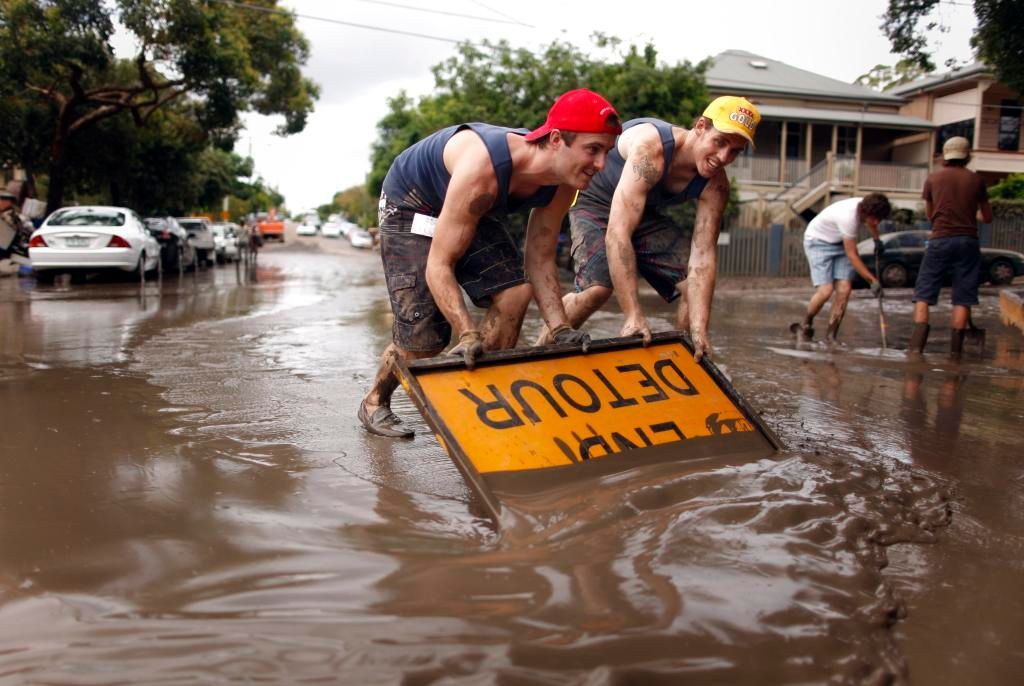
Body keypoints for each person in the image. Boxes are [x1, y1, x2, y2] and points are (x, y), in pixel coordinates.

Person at [359, 89, 622, 438]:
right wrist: (467, 333)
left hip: (465, 206)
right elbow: (439, 264)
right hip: (414, 203)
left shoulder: (565, 180)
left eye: (606, 152)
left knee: (515, 293)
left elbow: (540, 254)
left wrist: (560, 330)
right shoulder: (484, 166)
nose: (601, 165)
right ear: (556, 139)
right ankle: (374, 402)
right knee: (424, 341)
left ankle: (481, 400)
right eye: (593, 150)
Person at [535, 96, 761, 361]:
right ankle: (539, 352)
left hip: (641, 211)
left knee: (692, 287)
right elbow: (618, 233)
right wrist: (633, 316)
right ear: (700, 127)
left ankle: (686, 358)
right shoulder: (651, 149)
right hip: (596, 203)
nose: (723, 157)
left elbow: (703, 258)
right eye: (719, 142)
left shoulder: (716, 186)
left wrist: (701, 332)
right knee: (598, 290)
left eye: (734, 151)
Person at [908, 136, 993, 356]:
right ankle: (955, 354)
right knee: (963, 297)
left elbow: (929, 214)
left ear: (945, 155)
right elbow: (988, 216)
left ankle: (916, 351)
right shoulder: (977, 180)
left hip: (939, 239)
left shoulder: (933, 179)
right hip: (968, 242)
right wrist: (969, 214)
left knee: (924, 294)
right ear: (967, 155)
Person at [793, 193, 891, 344]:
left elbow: (871, 223)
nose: (877, 222)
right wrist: (872, 280)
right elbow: (852, 255)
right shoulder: (848, 217)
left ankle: (831, 336)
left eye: (880, 218)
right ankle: (806, 323)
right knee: (825, 291)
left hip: (839, 242)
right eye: (875, 218)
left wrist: (877, 240)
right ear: (865, 212)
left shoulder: (868, 206)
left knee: (844, 290)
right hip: (818, 242)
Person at [0, 190, 32, 265]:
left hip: (6, 245)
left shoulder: (13, 216)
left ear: (9, 202)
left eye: (2, 200)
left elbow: (24, 229)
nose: (0, 202)